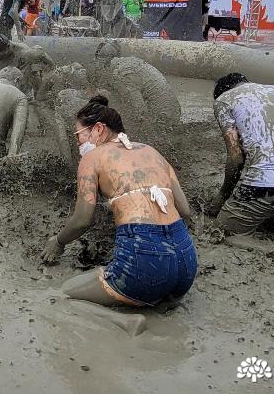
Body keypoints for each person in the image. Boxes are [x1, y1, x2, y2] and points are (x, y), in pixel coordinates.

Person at [39, 96, 196, 308]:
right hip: (186, 262)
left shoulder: (92, 159)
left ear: (99, 129)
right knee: (155, 293)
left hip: (144, 257)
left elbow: (83, 220)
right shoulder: (152, 152)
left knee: (64, 294)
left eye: (78, 135)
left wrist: (58, 242)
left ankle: (129, 323)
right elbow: (185, 211)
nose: (78, 143)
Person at [209, 73, 274, 239]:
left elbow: (236, 157)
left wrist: (223, 194)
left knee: (223, 232)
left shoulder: (224, 100)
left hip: (265, 186)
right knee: (266, 232)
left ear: (222, 91)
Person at [91, 40, 181, 124]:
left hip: (162, 118)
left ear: (104, 67)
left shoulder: (120, 74)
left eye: (99, 70)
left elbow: (139, 110)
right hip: (173, 112)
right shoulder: (128, 63)